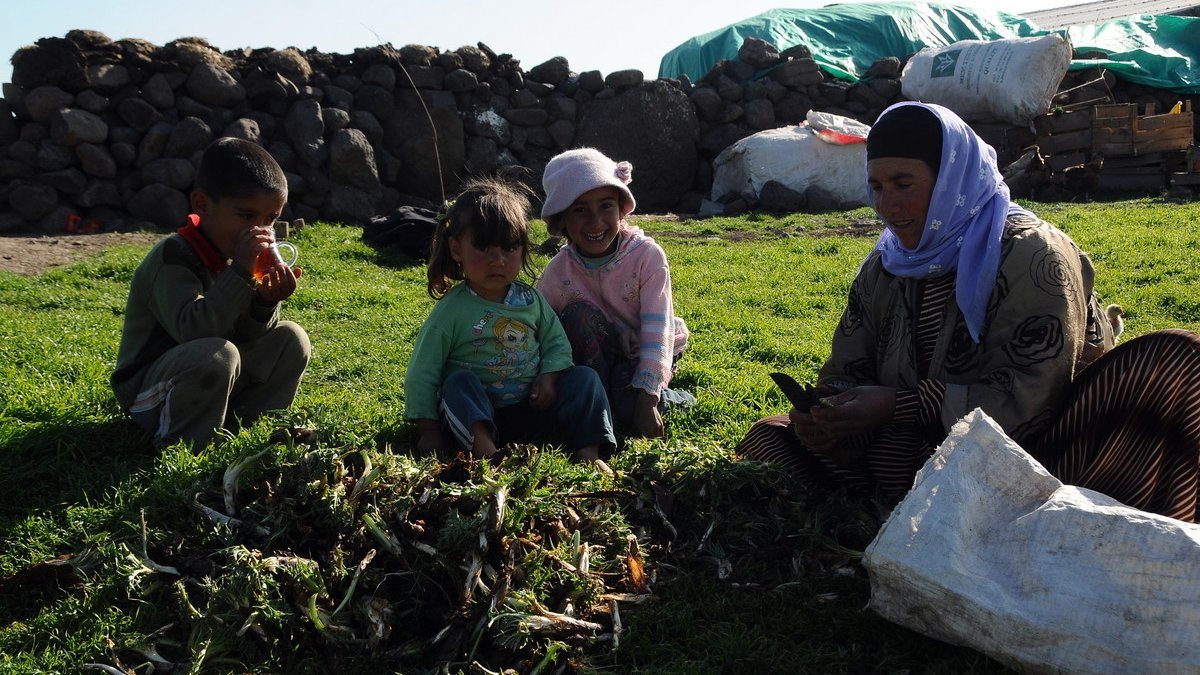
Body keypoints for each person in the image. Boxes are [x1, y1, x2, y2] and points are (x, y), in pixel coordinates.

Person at [739, 101, 1200, 522]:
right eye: (877, 186)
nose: (887, 205)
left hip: (1035, 459)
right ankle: (921, 521)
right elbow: (848, 370)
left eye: (904, 184)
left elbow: (1031, 401)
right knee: (770, 440)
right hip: (909, 455)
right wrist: (830, 422)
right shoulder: (886, 265)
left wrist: (902, 404)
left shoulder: (1032, 255)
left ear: (951, 180)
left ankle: (1036, 529)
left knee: (1176, 358)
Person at [111, 137, 311, 449]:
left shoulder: (234, 252)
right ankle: (187, 446)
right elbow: (197, 331)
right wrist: (241, 273)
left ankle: (253, 430)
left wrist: (264, 303)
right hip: (149, 392)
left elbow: (243, 332)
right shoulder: (174, 257)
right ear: (202, 205)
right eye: (246, 216)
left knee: (291, 338)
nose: (259, 231)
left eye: (270, 219)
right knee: (219, 354)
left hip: (208, 377)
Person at [404, 175, 616, 466]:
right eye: (483, 248)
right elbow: (422, 371)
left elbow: (556, 343)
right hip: (481, 413)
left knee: (585, 378)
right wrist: (428, 429)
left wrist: (549, 377)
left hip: (532, 407)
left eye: (509, 248)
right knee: (458, 384)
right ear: (456, 250)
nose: (498, 260)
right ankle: (486, 451)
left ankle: (588, 452)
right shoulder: (452, 310)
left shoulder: (531, 300)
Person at [536, 148, 693, 439]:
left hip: (643, 352)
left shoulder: (647, 257)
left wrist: (648, 399)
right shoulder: (560, 270)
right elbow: (537, 324)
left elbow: (657, 330)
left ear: (621, 207)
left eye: (605, 206)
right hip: (595, 360)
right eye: (580, 210)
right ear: (561, 219)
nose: (595, 222)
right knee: (578, 315)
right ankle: (603, 399)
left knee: (630, 408)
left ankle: (671, 398)